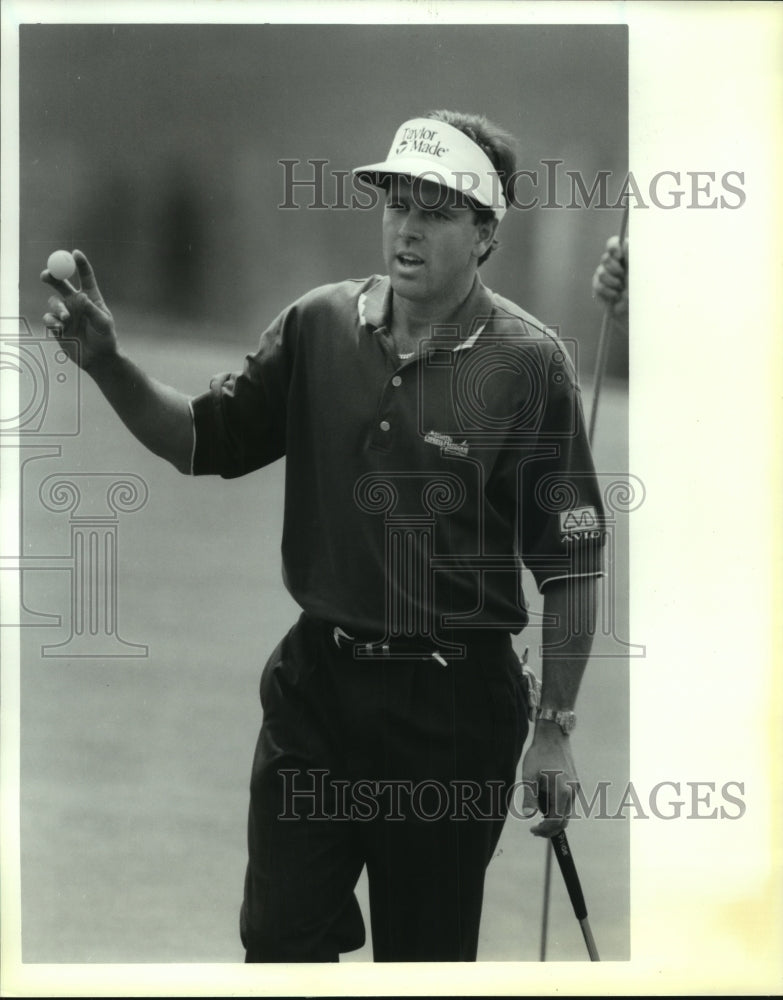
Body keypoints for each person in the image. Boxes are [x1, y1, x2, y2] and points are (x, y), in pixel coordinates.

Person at [41, 110, 605, 963]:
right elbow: (201, 440)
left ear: (486, 232)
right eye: (396, 203)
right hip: (317, 687)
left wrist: (554, 727)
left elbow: (570, 566)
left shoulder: (528, 364)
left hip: (451, 712)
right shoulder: (318, 322)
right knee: (277, 945)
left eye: (435, 211)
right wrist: (109, 366)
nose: (406, 228)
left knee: (421, 963)